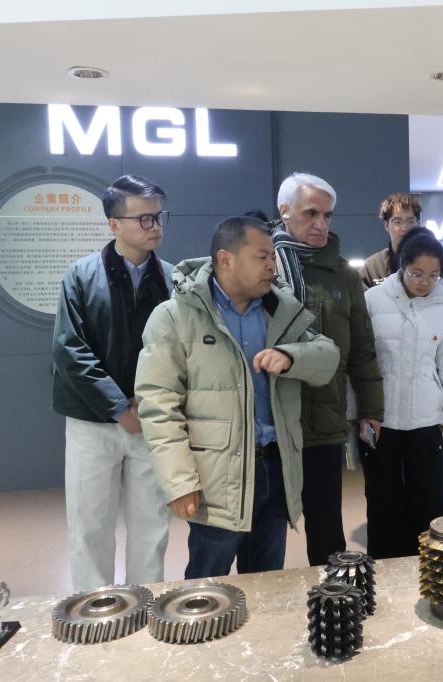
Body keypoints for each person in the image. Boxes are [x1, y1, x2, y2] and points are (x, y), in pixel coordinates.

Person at [135, 216, 339, 578]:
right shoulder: (174, 317)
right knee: (207, 588)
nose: (272, 266)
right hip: (216, 481)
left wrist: (292, 356)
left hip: (275, 471)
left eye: (273, 257)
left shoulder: (281, 311)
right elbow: (158, 407)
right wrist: (179, 483)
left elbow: (328, 357)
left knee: (266, 584)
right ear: (226, 259)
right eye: (262, 257)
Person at [51, 174, 173, 591]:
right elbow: (70, 350)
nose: (154, 226)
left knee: (152, 523)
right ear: (114, 224)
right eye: (144, 218)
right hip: (92, 421)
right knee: (89, 524)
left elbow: (181, 351)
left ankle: (146, 600)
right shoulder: (80, 277)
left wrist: (149, 405)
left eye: (158, 217)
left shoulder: (173, 280)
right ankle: (93, 607)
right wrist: (119, 407)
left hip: (152, 420)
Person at [270, 171, 384, 567]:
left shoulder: (345, 276)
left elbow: (362, 350)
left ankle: (334, 598)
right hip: (271, 423)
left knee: (326, 529)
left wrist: (371, 409)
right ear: (285, 211)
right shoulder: (264, 268)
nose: (321, 224)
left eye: (328, 215)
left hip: (324, 420)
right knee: (265, 530)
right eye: (311, 213)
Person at [361, 228, 443, 558]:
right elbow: (361, 360)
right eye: (417, 273)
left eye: (434, 275)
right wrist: (360, 412)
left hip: (425, 419)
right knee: (383, 500)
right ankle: (384, 566)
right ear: (402, 267)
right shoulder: (373, 300)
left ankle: (429, 567)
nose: (425, 282)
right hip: (382, 419)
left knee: (427, 499)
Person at [358, 192, 443, 289]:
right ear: (386, 225)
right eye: (397, 222)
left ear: (418, 224)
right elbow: (361, 299)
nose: (405, 228)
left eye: (410, 221)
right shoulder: (372, 267)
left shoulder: (436, 260)